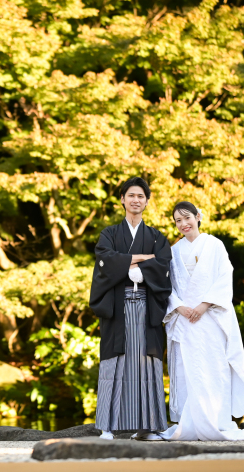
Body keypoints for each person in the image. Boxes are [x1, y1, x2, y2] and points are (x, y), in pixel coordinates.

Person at [158, 202, 244, 441]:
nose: (183, 224)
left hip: (210, 317)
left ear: (198, 216)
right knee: (188, 369)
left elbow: (223, 278)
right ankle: (191, 422)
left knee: (213, 366)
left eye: (187, 218)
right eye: (177, 220)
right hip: (185, 318)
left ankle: (216, 419)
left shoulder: (214, 245)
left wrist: (203, 305)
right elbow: (169, 286)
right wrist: (180, 307)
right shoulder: (174, 251)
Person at [89, 177, 173, 441]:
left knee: (147, 364)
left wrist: (129, 265)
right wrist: (142, 259)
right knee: (115, 364)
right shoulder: (110, 234)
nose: (136, 200)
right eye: (131, 195)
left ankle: (147, 427)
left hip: (147, 308)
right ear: (122, 199)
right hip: (118, 307)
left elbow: (163, 265)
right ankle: (107, 426)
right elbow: (105, 260)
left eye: (141, 196)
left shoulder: (157, 236)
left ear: (147, 201)